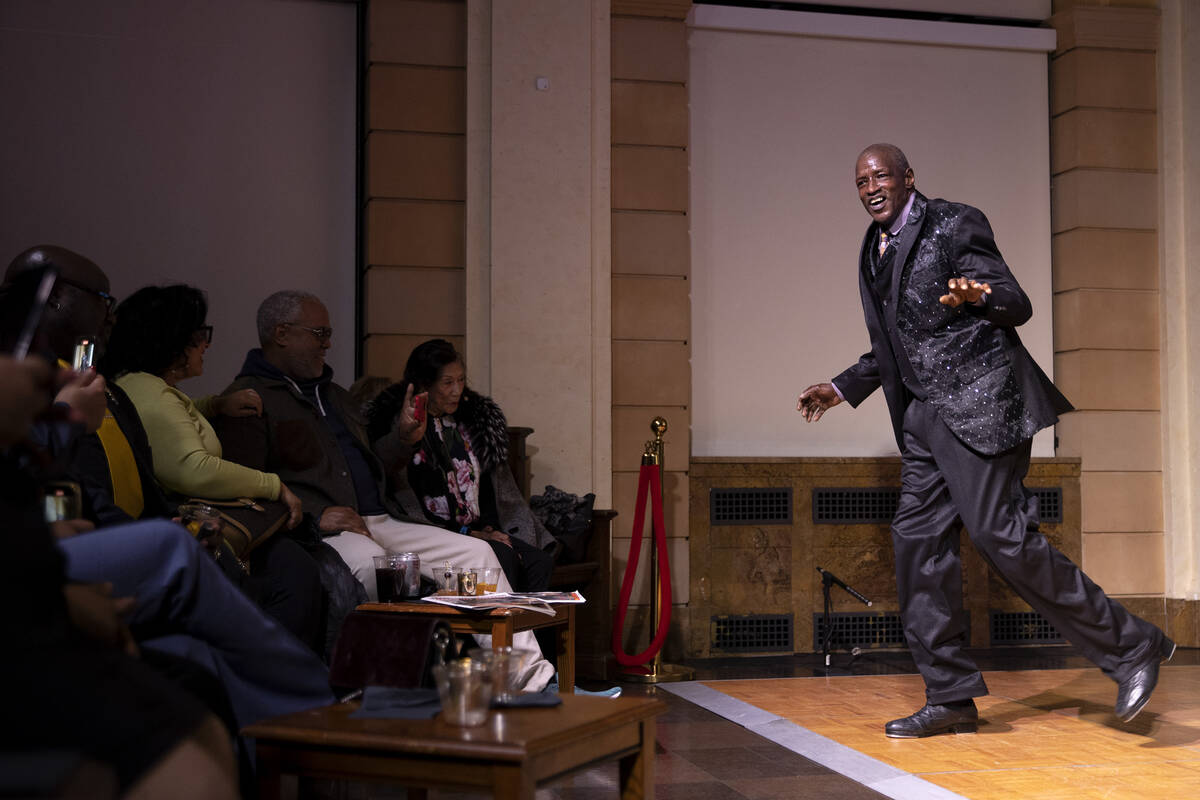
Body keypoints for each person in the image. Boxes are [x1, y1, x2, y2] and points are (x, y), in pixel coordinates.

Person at [796, 143, 1173, 738]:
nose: (870, 186)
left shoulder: (953, 221)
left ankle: (1132, 648)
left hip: (979, 404)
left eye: (881, 175)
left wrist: (980, 297)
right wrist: (842, 388)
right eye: (861, 179)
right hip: (922, 420)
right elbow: (902, 341)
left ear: (908, 177)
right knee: (916, 546)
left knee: (1005, 541)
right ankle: (949, 696)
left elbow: (1014, 301)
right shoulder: (874, 247)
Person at [214, 290, 556, 690]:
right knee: (374, 562)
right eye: (319, 332)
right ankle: (374, 691)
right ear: (281, 333)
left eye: (329, 332)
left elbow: (377, 465)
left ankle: (530, 682)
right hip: (321, 530)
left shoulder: (334, 395)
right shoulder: (248, 399)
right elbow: (242, 482)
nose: (328, 342)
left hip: (379, 518)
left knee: (476, 553)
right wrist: (313, 516)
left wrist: (404, 438)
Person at [0, 354, 239, 799]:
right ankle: (306, 706)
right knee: (175, 552)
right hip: (25, 628)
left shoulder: (113, 398)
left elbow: (73, 496)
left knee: (199, 682)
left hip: (44, 586)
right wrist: (65, 420)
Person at [100, 283, 323, 650]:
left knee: (295, 567)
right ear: (173, 342)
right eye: (200, 334)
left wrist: (215, 406)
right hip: (195, 527)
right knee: (294, 577)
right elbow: (192, 467)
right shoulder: (151, 393)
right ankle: (278, 687)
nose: (207, 343)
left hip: (201, 525)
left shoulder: (145, 387)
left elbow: (175, 419)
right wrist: (274, 486)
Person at [365, 338, 555, 591]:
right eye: (447, 382)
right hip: (433, 532)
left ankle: (526, 629)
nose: (457, 390)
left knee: (538, 562)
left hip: (476, 527)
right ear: (425, 385)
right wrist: (468, 534)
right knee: (502, 556)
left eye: (461, 380)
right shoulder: (400, 427)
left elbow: (490, 488)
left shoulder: (472, 421)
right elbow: (406, 502)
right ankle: (495, 628)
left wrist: (488, 527)